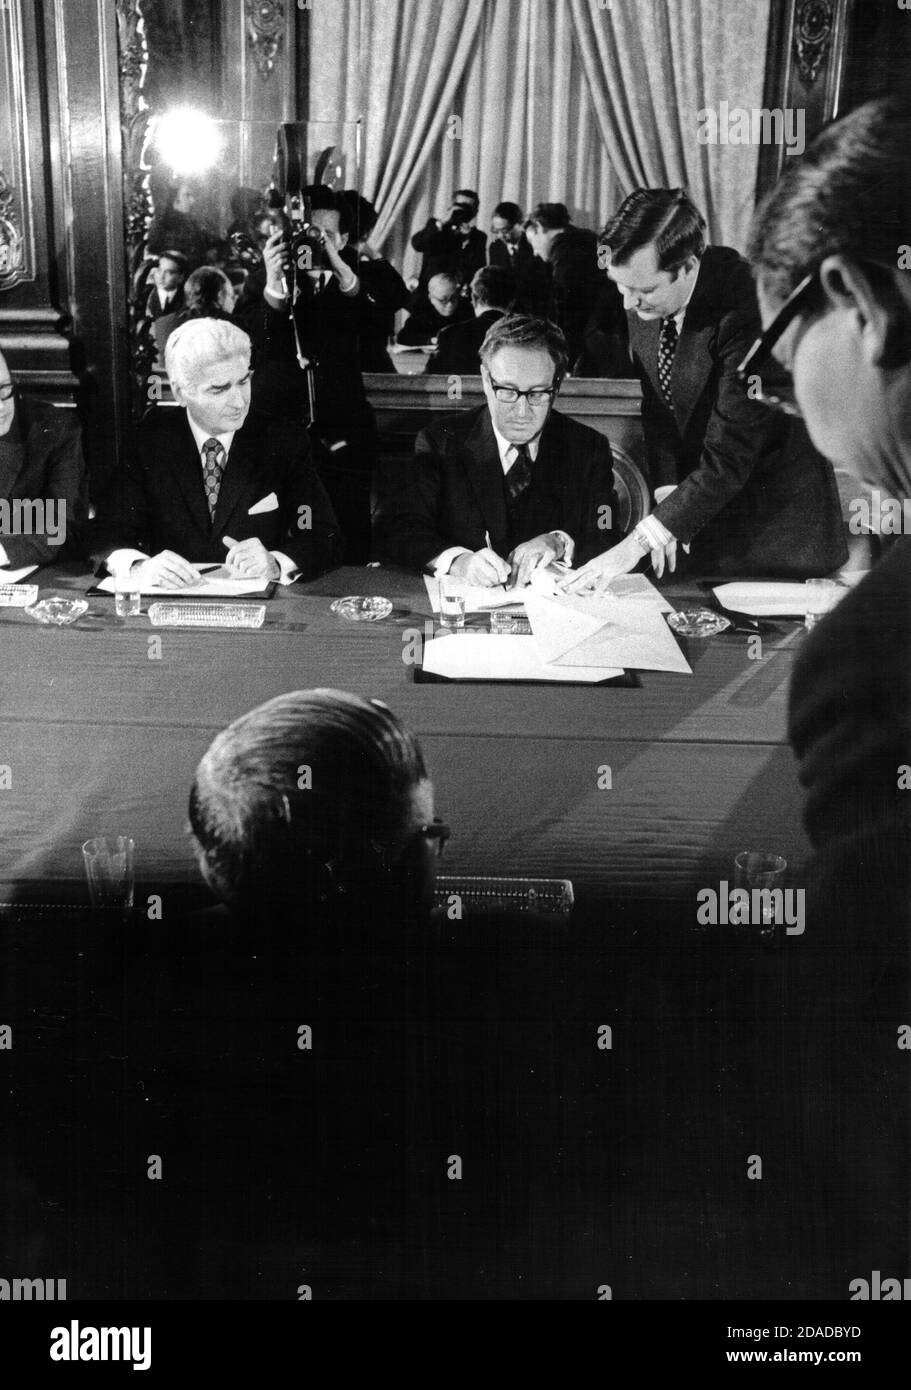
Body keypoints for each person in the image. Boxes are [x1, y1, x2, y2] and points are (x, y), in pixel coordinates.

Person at [565, 188, 846, 589]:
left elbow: (729, 455)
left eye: (643, 291)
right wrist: (667, 498)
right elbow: (659, 409)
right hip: (705, 518)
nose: (629, 304)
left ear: (688, 265)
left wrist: (639, 542)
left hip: (778, 535)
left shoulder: (750, 306)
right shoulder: (644, 290)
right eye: (620, 287)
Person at [86, 317, 340, 586]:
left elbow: (318, 532)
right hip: (169, 607)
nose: (239, 401)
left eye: (243, 382)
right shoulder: (149, 443)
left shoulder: (283, 441)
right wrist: (139, 566)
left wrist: (276, 563)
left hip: (262, 609)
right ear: (180, 393)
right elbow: (107, 532)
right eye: (219, 389)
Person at [378, 313, 620, 584]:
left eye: (538, 393)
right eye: (507, 390)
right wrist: (458, 561)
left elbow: (606, 528)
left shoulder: (588, 447)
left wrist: (560, 542)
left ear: (558, 385)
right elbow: (401, 526)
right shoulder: (440, 442)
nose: (521, 411)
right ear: (485, 378)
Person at [256, 185, 378, 562]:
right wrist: (273, 280)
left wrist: (339, 266)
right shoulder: (274, 282)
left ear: (343, 239)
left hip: (343, 427)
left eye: (324, 235)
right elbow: (261, 344)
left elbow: (372, 322)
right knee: (292, 530)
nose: (314, 243)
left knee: (349, 524)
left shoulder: (356, 280)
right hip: (287, 428)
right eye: (307, 234)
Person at [0, 345, 88, 568]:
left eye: (3, 389)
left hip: (40, 579)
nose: (1, 406)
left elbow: (61, 527)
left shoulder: (55, 429)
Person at [524, 203, 603, 368]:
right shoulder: (591, 241)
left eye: (532, 242)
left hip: (588, 347)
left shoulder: (565, 257)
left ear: (539, 227)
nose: (535, 252)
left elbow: (568, 315)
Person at [340, 190, 410, 372]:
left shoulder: (320, 269)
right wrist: (375, 255)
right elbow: (405, 299)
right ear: (367, 232)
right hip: (375, 365)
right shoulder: (376, 272)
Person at [427, 265, 514, 376]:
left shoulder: (449, 335)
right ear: (512, 302)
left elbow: (433, 382)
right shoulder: (525, 335)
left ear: (474, 298)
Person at [410, 188, 487, 292]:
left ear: (475, 212)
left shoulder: (478, 237)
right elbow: (417, 244)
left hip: (459, 296)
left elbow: (478, 270)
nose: (463, 211)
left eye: (468, 208)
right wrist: (443, 221)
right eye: (460, 206)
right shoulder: (436, 228)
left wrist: (467, 240)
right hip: (431, 293)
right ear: (451, 206)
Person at [396, 272, 472, 346]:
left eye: (454, 297)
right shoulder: (422, 313)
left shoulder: (466, 309)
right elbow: (403, 337)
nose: (450, 304)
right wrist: (434, 340)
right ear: (431, 298)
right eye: (443, 300)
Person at [144, 250, 187, 321]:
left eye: (169, 272)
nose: (161, 276)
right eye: (159, 270)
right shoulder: (145, 296)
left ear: (180, 278)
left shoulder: (186, 300)